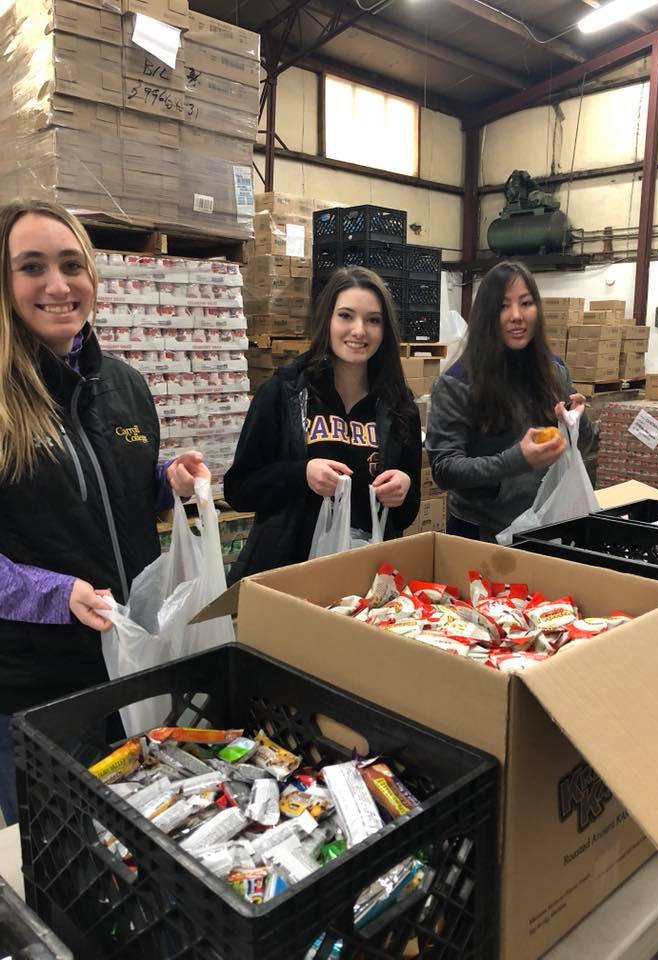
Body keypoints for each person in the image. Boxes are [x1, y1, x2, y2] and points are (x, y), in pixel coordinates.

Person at [0, 199, 208, 826]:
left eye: (71, 265)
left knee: (137, 840)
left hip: (132, 659)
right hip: (37, 686)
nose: (58, 285)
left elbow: (108, 494)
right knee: (54, 851)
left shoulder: (125, 384)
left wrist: (166, 481)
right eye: (32, 267)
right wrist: (55, 594)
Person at [224, 265, 421, 581]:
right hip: (288, 572)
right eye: (346, 316)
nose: (359, 330)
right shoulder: (284, 392)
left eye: (373, 320)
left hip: (365, 577)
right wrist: (301, 474)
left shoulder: (399, 405)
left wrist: (403, 489)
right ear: (327, 320)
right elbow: (239, 489)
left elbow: (407, 511)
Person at [426, 260, 594, 542]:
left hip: (546, 523)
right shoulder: (457, 383)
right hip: (481, 534)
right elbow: (445, 470)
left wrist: (578, 421)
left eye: (526, 303)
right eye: (503, 306)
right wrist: (517, 459)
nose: (516, 315)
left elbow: (584, 445)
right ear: (485, 315)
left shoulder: (554, 371)